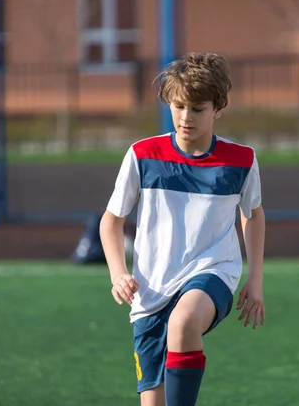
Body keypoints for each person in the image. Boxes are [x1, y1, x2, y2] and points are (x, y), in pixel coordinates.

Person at [99, 52, 266, 406]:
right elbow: (111, 220)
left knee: (184, 321)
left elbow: (252, 214)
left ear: (218, 109)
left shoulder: (241, 160)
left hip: (212, 273)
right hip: (151, 288)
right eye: (178, 106)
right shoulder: (143, 155)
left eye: (197, 108)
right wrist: (118, 273)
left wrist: (255, 279)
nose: (185, 117)